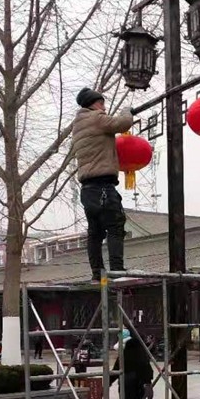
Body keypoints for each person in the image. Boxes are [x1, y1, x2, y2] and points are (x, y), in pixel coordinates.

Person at [71, 88, 134, 283]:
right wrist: (126, 111)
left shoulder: (77, 125)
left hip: (87, 190)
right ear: (93, 104)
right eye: (102, 103)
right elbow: (123, 123)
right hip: (103, 187)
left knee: (95, 232)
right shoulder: (96, 118)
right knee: (115, 226)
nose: (104, 108)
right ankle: (117, 271)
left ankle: (97, 274)